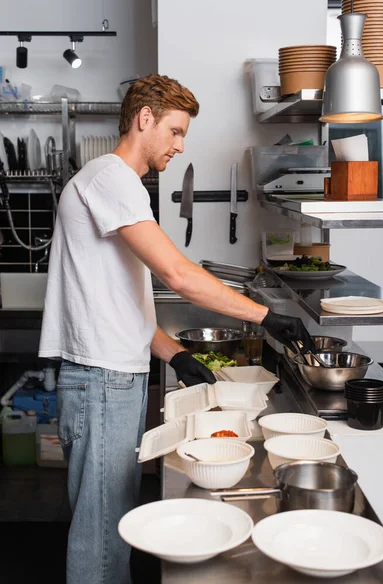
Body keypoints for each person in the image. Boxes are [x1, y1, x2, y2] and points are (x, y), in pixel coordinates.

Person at [38, 74, 313, 584]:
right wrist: (265, 315)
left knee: (107, 525)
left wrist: (174, 355)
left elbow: (117, 304)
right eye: (176, 131)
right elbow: (178, 276)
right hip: (102, 385)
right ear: (145, 118)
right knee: (100, 542)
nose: (180, 146)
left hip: (108, 380)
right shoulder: (112, 179)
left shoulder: (115, 184)